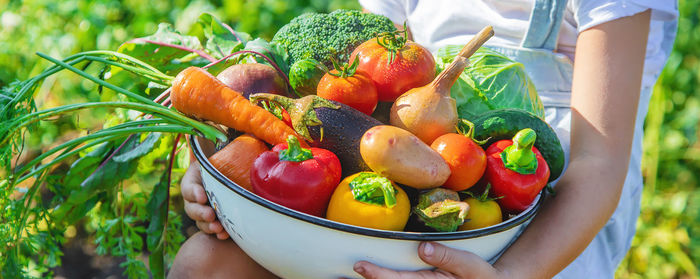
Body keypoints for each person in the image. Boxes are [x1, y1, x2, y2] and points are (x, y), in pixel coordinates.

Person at [169, 0, 678, 278]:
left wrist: (508, 277)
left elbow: (597, 165)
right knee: (204, 266)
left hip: (546, 215)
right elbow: (353, 80)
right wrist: (231, 157)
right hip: (406, 168)